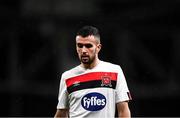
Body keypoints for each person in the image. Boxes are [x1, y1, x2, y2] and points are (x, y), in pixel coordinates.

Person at [54, 25, 132, 118]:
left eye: (88, 46)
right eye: (80, 46)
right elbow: (61, 114)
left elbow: (123, 111)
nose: (83, 50)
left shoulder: (114, 71)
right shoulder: (67, 77)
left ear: (98, 47)